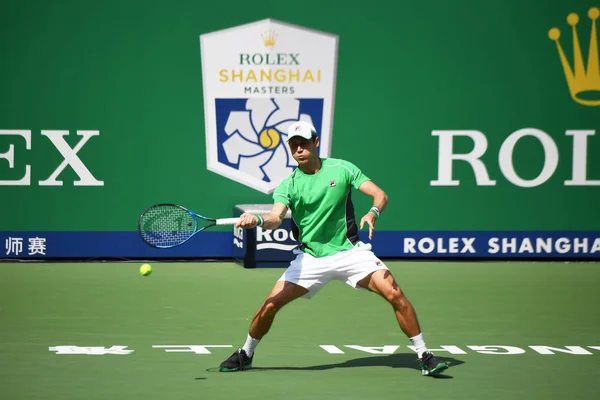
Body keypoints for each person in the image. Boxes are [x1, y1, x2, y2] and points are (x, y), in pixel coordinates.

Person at [219, 121, 448, 376]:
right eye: (293, 145)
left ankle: (424, 354)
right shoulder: (288, 185)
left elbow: (380, 195)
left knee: (394, 293)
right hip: (311, 259)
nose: (299, 149)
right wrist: (258, 220)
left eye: (303, 143)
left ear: (315, 143)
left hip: (350, 253)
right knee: (270, 305)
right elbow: (275, 217)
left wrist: (373, 213)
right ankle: (246, 353)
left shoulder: (342, 169)